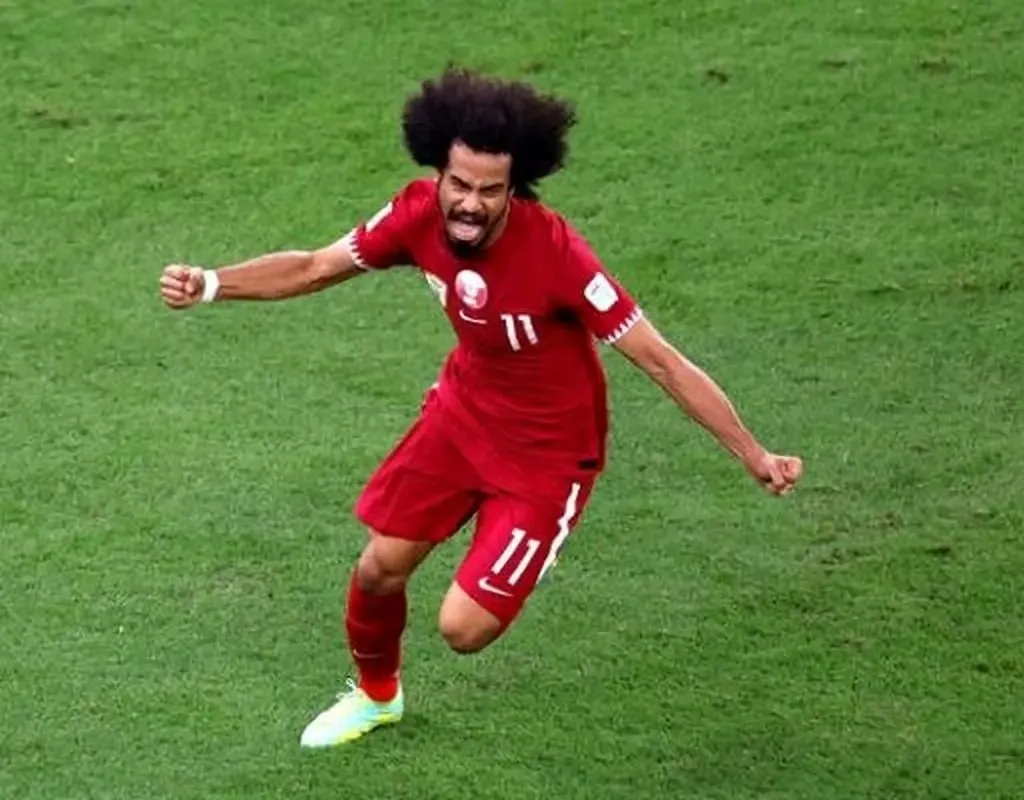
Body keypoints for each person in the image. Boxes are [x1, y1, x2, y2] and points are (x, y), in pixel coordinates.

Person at [159, 67, 803, 749]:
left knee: (463, 630)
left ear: (514, 188)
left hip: (547, 459)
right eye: (459, 185)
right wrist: (212, 284)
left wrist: (753, 454)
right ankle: (377, 698)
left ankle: (531, 540)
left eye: (490, 191)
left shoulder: (559, 256)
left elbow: (661, 360)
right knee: (378, 568)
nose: (469, 204)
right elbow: (316, 266)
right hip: (463, 419)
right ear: (438, 171)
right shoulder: (415, 214)